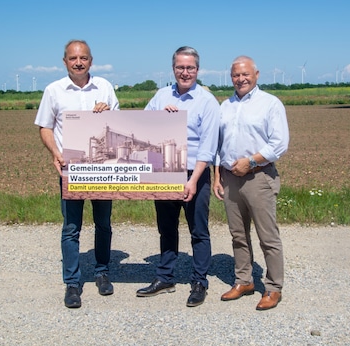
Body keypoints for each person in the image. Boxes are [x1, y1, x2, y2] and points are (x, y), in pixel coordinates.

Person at [34, 39, 119, 308]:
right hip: (71, 170)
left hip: (102, 169)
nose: (78, 62)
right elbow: (45, 127)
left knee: (103, 223)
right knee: (71, 228)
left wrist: (108, 113)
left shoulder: (105, 87)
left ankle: (102, 272)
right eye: (73, 59)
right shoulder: (54, 91)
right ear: (65, 61)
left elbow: (119, 124)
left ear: (91, 61)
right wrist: (55, 153)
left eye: (83, 58)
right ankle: (72, 283)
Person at [136, 46, 220, 307]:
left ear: (197, 69)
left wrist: (194, 180)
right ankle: (165, 277)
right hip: (165, 170)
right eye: (180, 67)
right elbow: (139, 126)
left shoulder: (207, 101)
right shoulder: (161, 96)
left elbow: (208, 145)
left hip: (195, 172)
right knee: (166, 227)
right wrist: (160, 118)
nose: (185, 72)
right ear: (173, 69)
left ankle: (199, 281)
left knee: (198, 230)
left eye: (190, 67)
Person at [213, 55, 290, 311]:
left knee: (267, 235)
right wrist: (217, 175)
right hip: (230, 178)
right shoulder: (225, 106)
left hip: (259, 177)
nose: (241, 79)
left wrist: (252, 162)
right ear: (231, 77)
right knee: (238, 235)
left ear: (256, 75)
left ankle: (273, 287)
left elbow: (279, 143)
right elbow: (218, 145)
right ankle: (244, 280)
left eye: (245, 74)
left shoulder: (270, 104)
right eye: (236, 75)